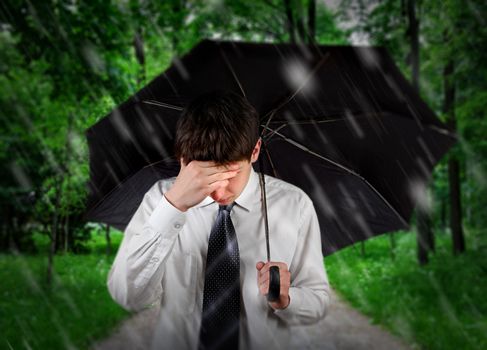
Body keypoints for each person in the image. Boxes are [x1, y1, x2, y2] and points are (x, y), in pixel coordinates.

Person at [106, 90, 330, 350]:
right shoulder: (160, 199)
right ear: (184, 160)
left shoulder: (295, 205)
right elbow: (128, 297)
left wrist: (287, 299)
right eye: (208, 177)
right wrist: (173, 206)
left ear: (255, 149)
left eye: (230, 174)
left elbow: (318, 300)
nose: (219, 192)